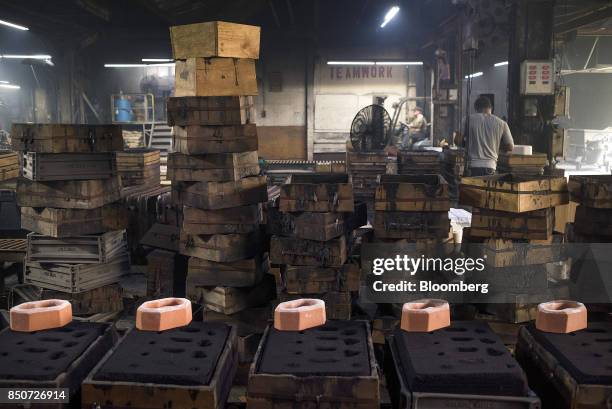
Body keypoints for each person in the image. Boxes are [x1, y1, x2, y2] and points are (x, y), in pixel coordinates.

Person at [464, 96, 514, 176]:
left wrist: (468, 143)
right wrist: (495, 146)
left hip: (473, 167)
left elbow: (457, 140)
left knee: (473, 188)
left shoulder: (468, 119)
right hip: (490, 167)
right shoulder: (502, 123)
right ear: (491, 108)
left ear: (476, 108)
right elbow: (510, 147)